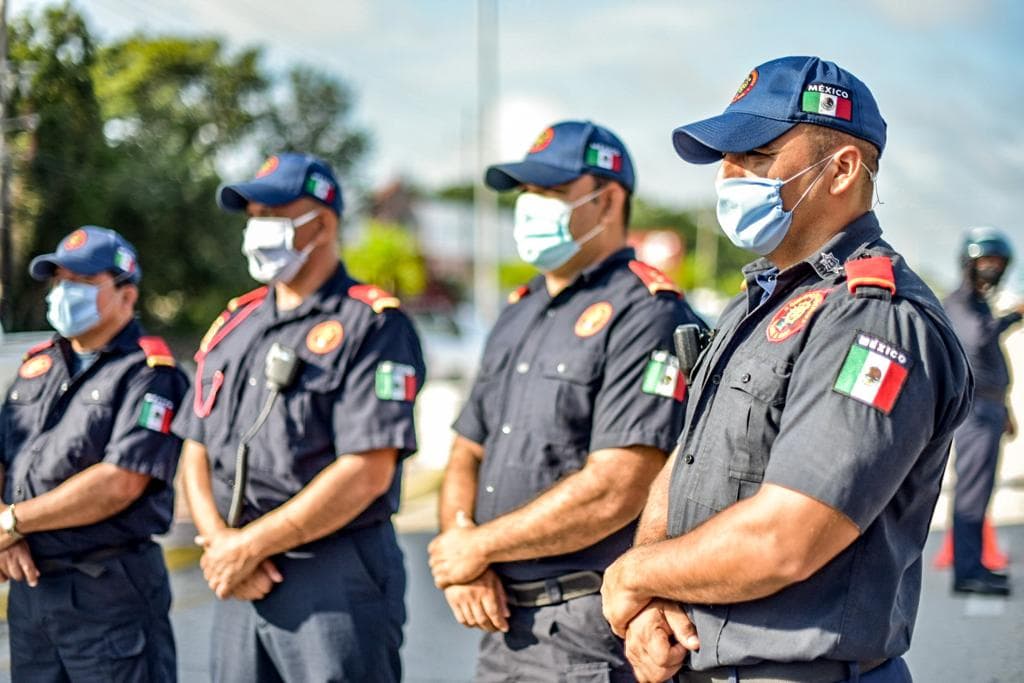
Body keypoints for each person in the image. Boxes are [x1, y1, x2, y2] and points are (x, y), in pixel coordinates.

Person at [600, 56, 972, 683]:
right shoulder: (758, 302)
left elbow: (787, 536)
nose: (729, 176)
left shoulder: (873, 318)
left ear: (842, 170)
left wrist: (632, 574)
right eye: (726, 159)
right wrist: (653, 595)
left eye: (757, 156)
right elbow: (690, 458)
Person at [428, 120, 706, 681]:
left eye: (552, 192)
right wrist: (463, 549)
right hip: (501, 622)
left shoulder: (646, 312)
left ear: (609, 201)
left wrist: (477, 546)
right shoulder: (519, 310)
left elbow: (619, 486)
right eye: (527, 193)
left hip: (588, 636)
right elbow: (465, 451)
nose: (531, 205)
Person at [173, 152, 425, 682]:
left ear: (324, 222)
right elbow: (195, 445)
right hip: (240, 578)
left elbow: (368, 469)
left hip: (332, 579)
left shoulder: (371, 324)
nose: (257, 227)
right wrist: (221, 543)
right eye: (253, 214)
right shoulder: (232, 325)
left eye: (275, 212)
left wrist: (248, 546)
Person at [0, 226, 187, 680]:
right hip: (33, 588)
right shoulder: (37, 365)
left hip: (109, 594)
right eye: (59, 281)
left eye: (82, 283)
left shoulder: (148, 373)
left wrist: (11, 522)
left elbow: (119, 483)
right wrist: (6, 533)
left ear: (126, 295)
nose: (64, 293)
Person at [943, 226, 1020, 596]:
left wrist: (1003, 407)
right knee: (972, 492)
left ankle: (975, 565)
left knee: (982, 489)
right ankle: (967, 573)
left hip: (989, 407)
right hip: (973, 411)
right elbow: (976, 341)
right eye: (985, 261)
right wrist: (1010, 318)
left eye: (997, 262)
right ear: (969, 263)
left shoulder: (979, 304)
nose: (992, 268)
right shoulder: (960, 303)